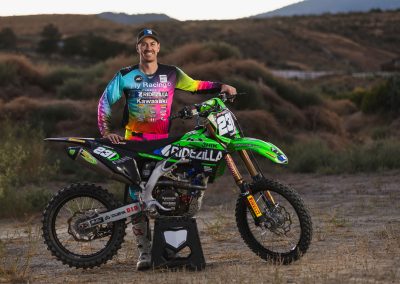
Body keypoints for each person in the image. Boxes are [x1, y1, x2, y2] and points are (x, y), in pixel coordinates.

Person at [97, 28, 237, 270]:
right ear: (138, 48)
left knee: (168, 191)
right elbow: (105, 102)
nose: (148, 48)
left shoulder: (171, 73)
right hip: (134, 142)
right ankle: (144, 253)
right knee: (135, 197)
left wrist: (221, 85)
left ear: (158, 48)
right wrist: (106, 132)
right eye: (144, 44)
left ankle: (169, 247)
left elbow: (195, 85)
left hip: (164, 141)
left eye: (153, 43)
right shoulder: (126, 75)